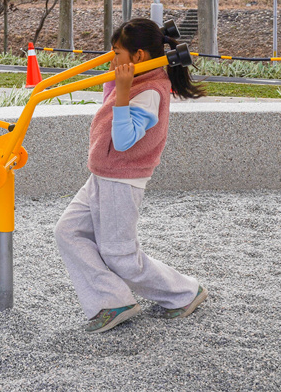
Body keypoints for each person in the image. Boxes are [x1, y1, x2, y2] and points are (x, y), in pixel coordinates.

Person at [54, 18, 207, 334]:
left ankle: (184, 293)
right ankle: (111, 300)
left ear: (137, 56)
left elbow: (124, 140)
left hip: (122, 180)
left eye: (116, 52)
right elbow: (110, 106)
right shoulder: (137, 77)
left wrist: (122, 90)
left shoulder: (148, 90)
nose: (112, 59)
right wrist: (117, 82)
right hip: (104, 174)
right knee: (68, 231)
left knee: (120, 255)